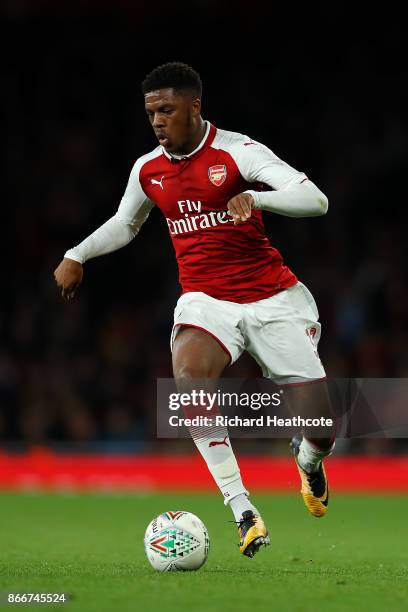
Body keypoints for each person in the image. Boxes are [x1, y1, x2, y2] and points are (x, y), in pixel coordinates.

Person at [54, 62, 335, 559]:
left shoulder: (237, 151)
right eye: (150, 113)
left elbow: (315, 200)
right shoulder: (148, 169)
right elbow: (126, 222)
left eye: (166, 110)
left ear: (194, 107)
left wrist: (257, 198)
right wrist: (78, 254)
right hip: (206, 301)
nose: (158, 121)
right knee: (189, 375)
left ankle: (308, 461)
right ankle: (242, 509)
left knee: (322, 429)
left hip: (272, 298)